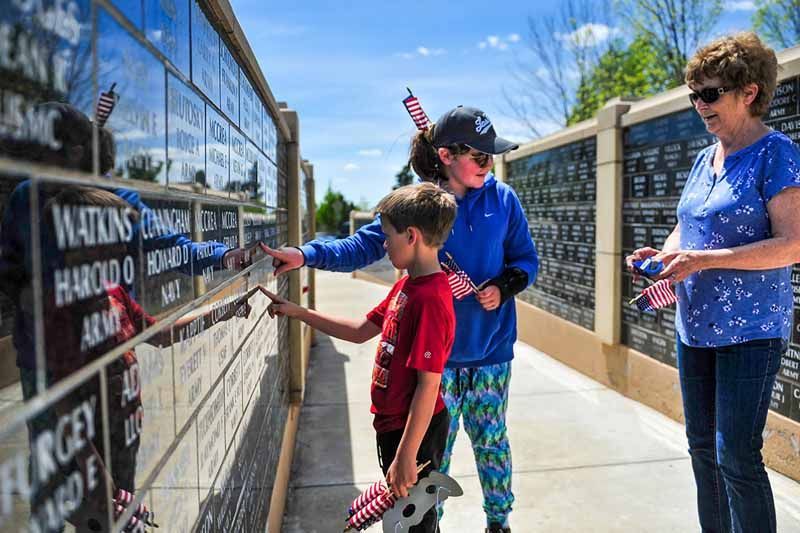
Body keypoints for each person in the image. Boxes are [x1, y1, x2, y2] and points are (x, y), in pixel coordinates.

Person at [264, 106, 538, 532]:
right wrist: (304, 255)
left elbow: (526, 259)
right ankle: (429, 524)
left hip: (491, 352)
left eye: (492, 156)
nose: (489, 164)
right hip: (439, 363)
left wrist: (503, 286)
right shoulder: (417, 209)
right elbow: (358, 247)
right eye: (480, 157)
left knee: (492, 445)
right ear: (447, 156)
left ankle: (498, 523)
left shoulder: (503, 200)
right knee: (431, 462)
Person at [625, 32, 800, 533]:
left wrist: (703, 259)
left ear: (748, 91)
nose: (700, 105)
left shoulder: (777, 154)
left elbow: (792, 243)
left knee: (737, 458)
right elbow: (691, 224)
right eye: (694, 95)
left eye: (710, 93)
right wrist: (664, 255)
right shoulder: (707, 158)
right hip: (694, 329)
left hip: (751, 333)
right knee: (702, 449)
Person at [264, 183, 457, 532]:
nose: (384, 244)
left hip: (413, 432)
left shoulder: (430, 300)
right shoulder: (406, 286)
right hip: (395, 427)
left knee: (414, 523)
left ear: (411, 236)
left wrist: (406, 456)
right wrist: (298, 311)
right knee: (404, 520)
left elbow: (429, 386)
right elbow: (359, 329)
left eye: (388, 236)